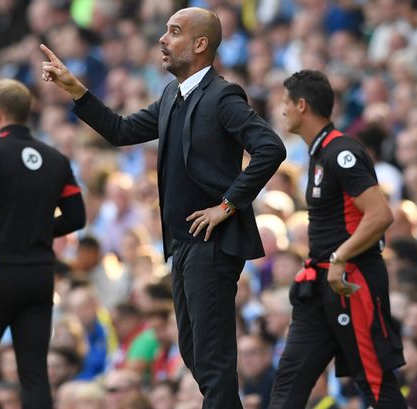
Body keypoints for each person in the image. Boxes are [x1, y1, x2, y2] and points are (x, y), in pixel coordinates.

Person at [40, 6, 286, 408]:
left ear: (200, 43)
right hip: (183, 244)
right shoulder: (173, 94)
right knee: (194, 354)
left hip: (214, 242)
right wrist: (75, 89)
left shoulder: (223, 95)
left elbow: (270, 148)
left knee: (212, 362)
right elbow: (120, 131)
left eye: (174, 32)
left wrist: (227, 205)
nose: (162, 39)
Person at [268, 70, 406, 408]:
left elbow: (380, 214)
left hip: (350, 281)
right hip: (320, 286)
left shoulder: (341, 152)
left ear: (302, 105)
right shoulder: (318, 154)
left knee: (374, 384)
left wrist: (340, 257)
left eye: (286, 102)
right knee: (288, 384)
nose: (281, 109)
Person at [0, 78, 86, 409]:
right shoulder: (56, 158)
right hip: (40, 275)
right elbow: (76, 217)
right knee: (35, 375)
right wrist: (37, 232)